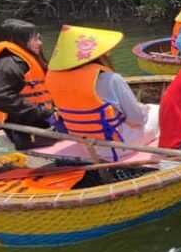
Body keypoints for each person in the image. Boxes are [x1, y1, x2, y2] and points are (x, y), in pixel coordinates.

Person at [45, 25, 159, 160]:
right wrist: (143, 109)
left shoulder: (53, 79)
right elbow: (137, 119)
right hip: (118, 146)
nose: (108, 53)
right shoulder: (110, 79)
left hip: (87, 144)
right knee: (158, 109)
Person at [0, 19, 56, 149]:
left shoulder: (19, 62)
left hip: (28, 120)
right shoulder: (7, 65)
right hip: (13, 127)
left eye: (39, 38)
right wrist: (42, 112)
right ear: (17, 40)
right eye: (34, 39)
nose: (40, 43)